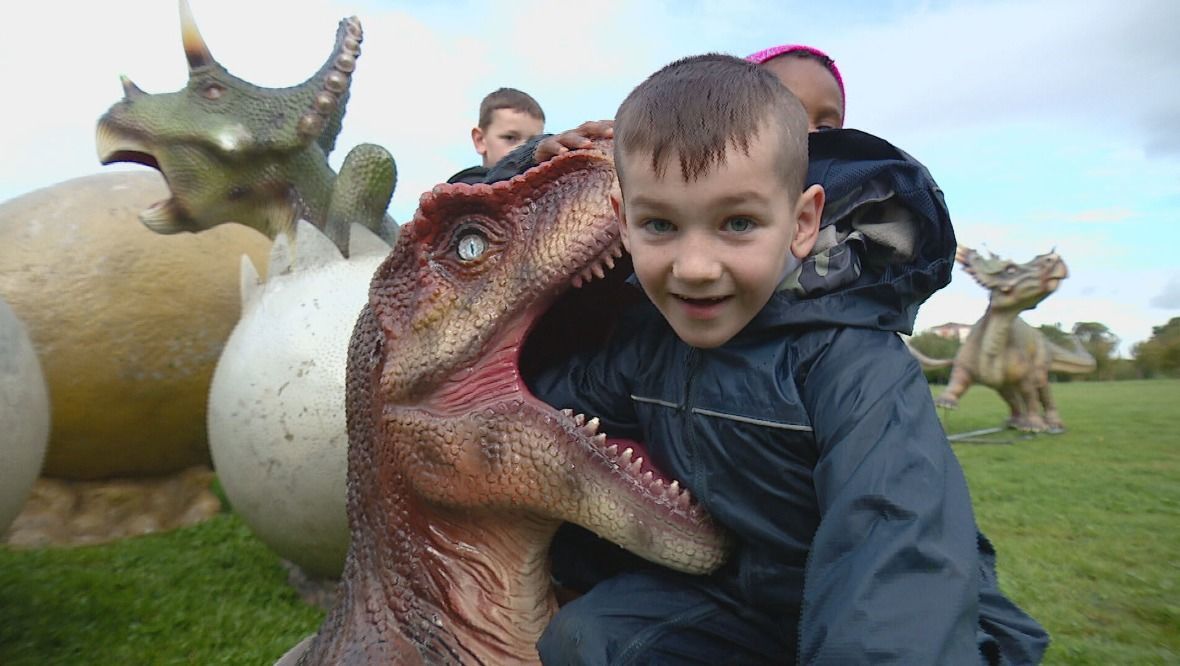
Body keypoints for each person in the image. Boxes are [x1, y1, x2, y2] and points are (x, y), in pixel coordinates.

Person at [522, 54, 1048, 664]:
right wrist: (523, 164)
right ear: (624, 224)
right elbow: (540, 394)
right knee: (592, 636)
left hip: (913, 619)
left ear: (802, 222)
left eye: (738, 223)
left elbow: (894, 546)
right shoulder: (647, 350)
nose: (695, 268)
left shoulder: (853, 364)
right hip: (753, 601)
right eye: (661, 225)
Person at [447, 87, 545, 185]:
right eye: (510, 138)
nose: (524, 147)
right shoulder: (465, 188)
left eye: (534, 142)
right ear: (480, 140)